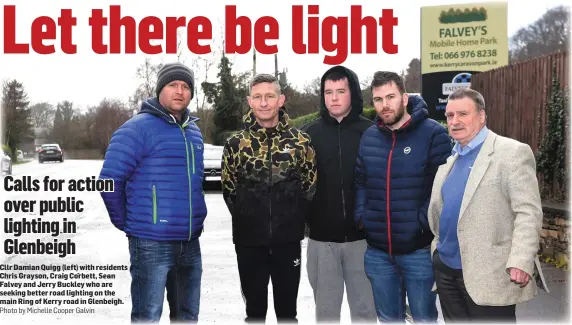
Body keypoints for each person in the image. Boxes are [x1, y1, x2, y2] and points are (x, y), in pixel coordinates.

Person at [99, 62, 207, 323]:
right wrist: (128, 223)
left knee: (187, 316)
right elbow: (108, 181)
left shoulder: (193, 131)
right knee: (147, 316)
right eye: (172, 85)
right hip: (150, 244)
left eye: (185, 86)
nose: (179, 91)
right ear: (159, 89)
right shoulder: (137, 129)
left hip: (190, 242)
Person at [427, 87, 543, 322]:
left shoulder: (512, 153)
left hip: (490, 274)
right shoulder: (450, 160)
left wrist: (521, 259)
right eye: (450, 116)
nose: (455, 121)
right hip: (447, 271)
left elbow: (528, 212)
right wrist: (437, 253)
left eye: (463, 114)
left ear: (481, 116)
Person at [354, 71, 452, 322]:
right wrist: (362, 217)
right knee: (388, 318)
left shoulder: (433, 134)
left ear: (405, 98)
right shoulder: (370, 137)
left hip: (417, 250)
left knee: (423, 318)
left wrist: (420, 224)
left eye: (390, 97)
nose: (384, 105)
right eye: (378, 99)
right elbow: (360, 181)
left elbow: (441, 188)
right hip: (378, 252)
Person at [221, 73, 317, 323]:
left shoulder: (300, 141)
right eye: (257, 97)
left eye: (269, 96)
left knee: (287, 313)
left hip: (288, 242)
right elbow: (229, 190)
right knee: (254, 313)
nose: (264, 103)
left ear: (281, 100)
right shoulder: (235, 144)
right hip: (249, 242)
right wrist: (249, 217)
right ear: (249, 101)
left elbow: (309, 185)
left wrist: (292, 219)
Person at [300, 65, 376, 323]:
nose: (333, 97)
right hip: (323, 242)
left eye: (340, 91)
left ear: (352, 93)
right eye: (328, 92)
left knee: (366, 312)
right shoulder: (308, 135)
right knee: (326, 314)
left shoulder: (372, 133)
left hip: (364, 242)